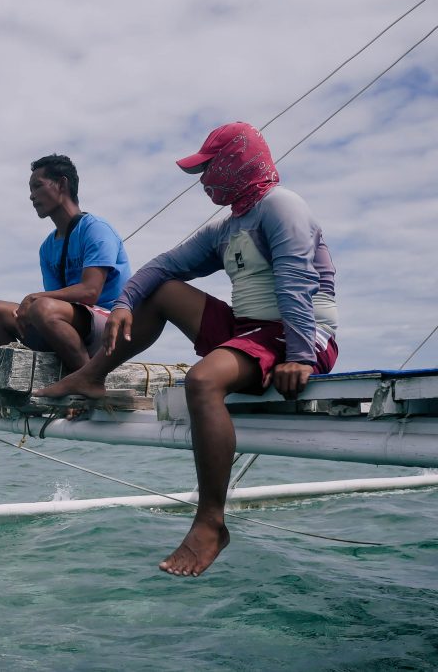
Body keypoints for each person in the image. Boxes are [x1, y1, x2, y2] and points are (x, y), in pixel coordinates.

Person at [35, 122, 339, 577]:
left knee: (201, 381)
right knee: (162, 290)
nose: (205, 181)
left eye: (211, 168)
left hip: (299, 333)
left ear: (238, 162)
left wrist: (299, 356)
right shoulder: (231, 224)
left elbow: (296, 283)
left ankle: (211, 521)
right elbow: (164, 266)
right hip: (251, 329)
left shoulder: (281, 206)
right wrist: (123, 303)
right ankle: (93, 373)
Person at [0, 154, 131, 372]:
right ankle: (13, 395)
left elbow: (91, 292)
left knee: (41, 306)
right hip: (68, 323)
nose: (32, 196)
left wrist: (34, 298)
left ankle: (86, 381)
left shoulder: (96, 229)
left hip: (109, 324)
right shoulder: (47, 247)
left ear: (61, 184)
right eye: (30, 190)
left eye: (37, 186)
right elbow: (55, 299)